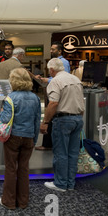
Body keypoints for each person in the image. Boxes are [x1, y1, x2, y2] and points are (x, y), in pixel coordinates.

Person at [0, 68, 41, 210]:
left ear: (13, 81)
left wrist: (2, 111)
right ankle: (23, 202)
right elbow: (36, 121)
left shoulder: (10, 98)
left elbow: (5, 119)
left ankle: (9, 201)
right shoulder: (35, 98)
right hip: (28, 137)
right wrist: (34, 140)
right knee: (24, 168)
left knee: (11, 169)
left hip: (13, 137)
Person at [40, 58, 85, 192]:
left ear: (52, 70)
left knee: (61, 153)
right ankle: (70, 183)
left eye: (49, 70)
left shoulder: (55, 81)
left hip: (63, 120)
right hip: (77, 118)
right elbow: (80, 101)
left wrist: (45, 122)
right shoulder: (76, 79)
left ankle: (60, 183)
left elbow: (53, 103)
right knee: (73, 153)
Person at [35, 42, 71, 151]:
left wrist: (48, 80)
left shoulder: (63, 62)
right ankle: (48, 144)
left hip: (57, 95)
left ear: (60, 51)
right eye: (50, 49)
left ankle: (48, 144)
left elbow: (63, 78)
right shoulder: (58, 62)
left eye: (53, 49)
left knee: (51, 114)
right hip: (54, 92)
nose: (51, 51)